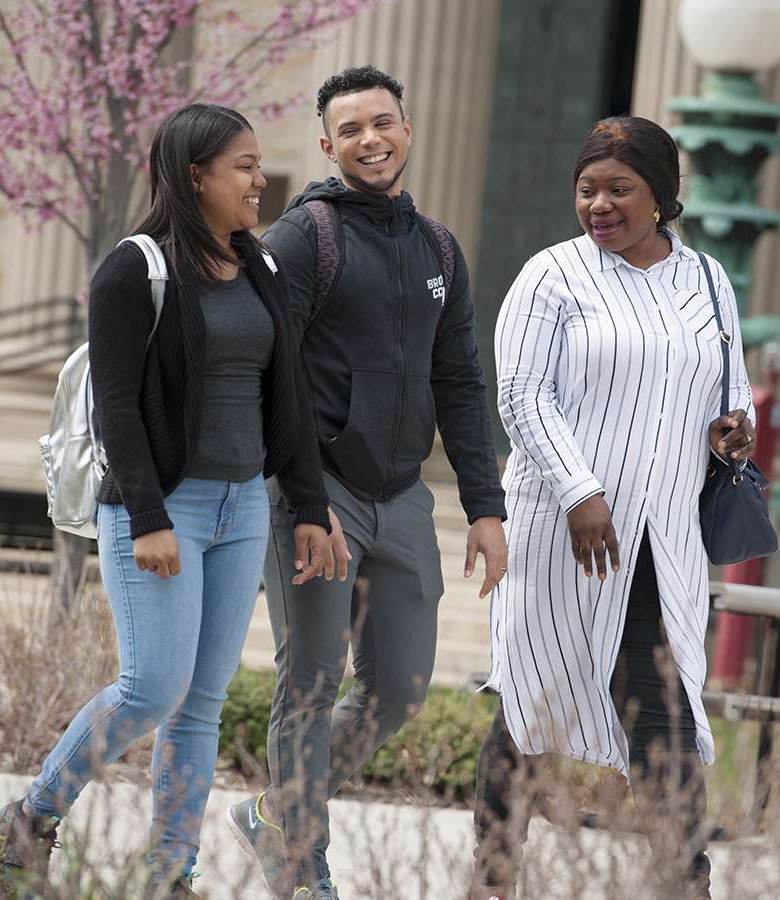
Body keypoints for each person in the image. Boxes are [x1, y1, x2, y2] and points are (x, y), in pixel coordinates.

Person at [0, 103, 333, 899]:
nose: (258, 180)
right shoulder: (132, 268)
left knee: (200, 705)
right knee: (153, 687)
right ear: (195, 175)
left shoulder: (262, 269)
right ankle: (34, 813)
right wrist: (146, 516)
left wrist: (308, 503)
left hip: (242, 506)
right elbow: (116, 405)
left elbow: (288, 400)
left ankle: (168, 874)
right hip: (162, 507)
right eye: (244, 166)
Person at [227, 66, 509, 900]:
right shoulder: (302, 238)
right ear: (328, 145)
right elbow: (270, 378)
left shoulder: (439, 248)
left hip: (403, 498)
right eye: (350, 130)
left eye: (381, 123)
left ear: (408, 128)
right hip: (318, 494)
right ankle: (302, 867)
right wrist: (308, 504)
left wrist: (485, 509)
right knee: (311, 681)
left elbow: (460, 381)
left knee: (400, 689)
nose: (370, 140)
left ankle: (278, 811)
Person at [472, 116, 757, 900]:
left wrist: (736, 429)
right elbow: (522, 397)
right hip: (566, 537)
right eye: (587, 189)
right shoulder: (551, 275)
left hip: (663, 539)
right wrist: (580, 490)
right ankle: (494, 875)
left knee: (666, 704)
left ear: (661, 197)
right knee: (530, 701)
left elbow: (727, 385)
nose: (598, 204)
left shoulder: (706, 279)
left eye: (619, 189)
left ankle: (683, 880)